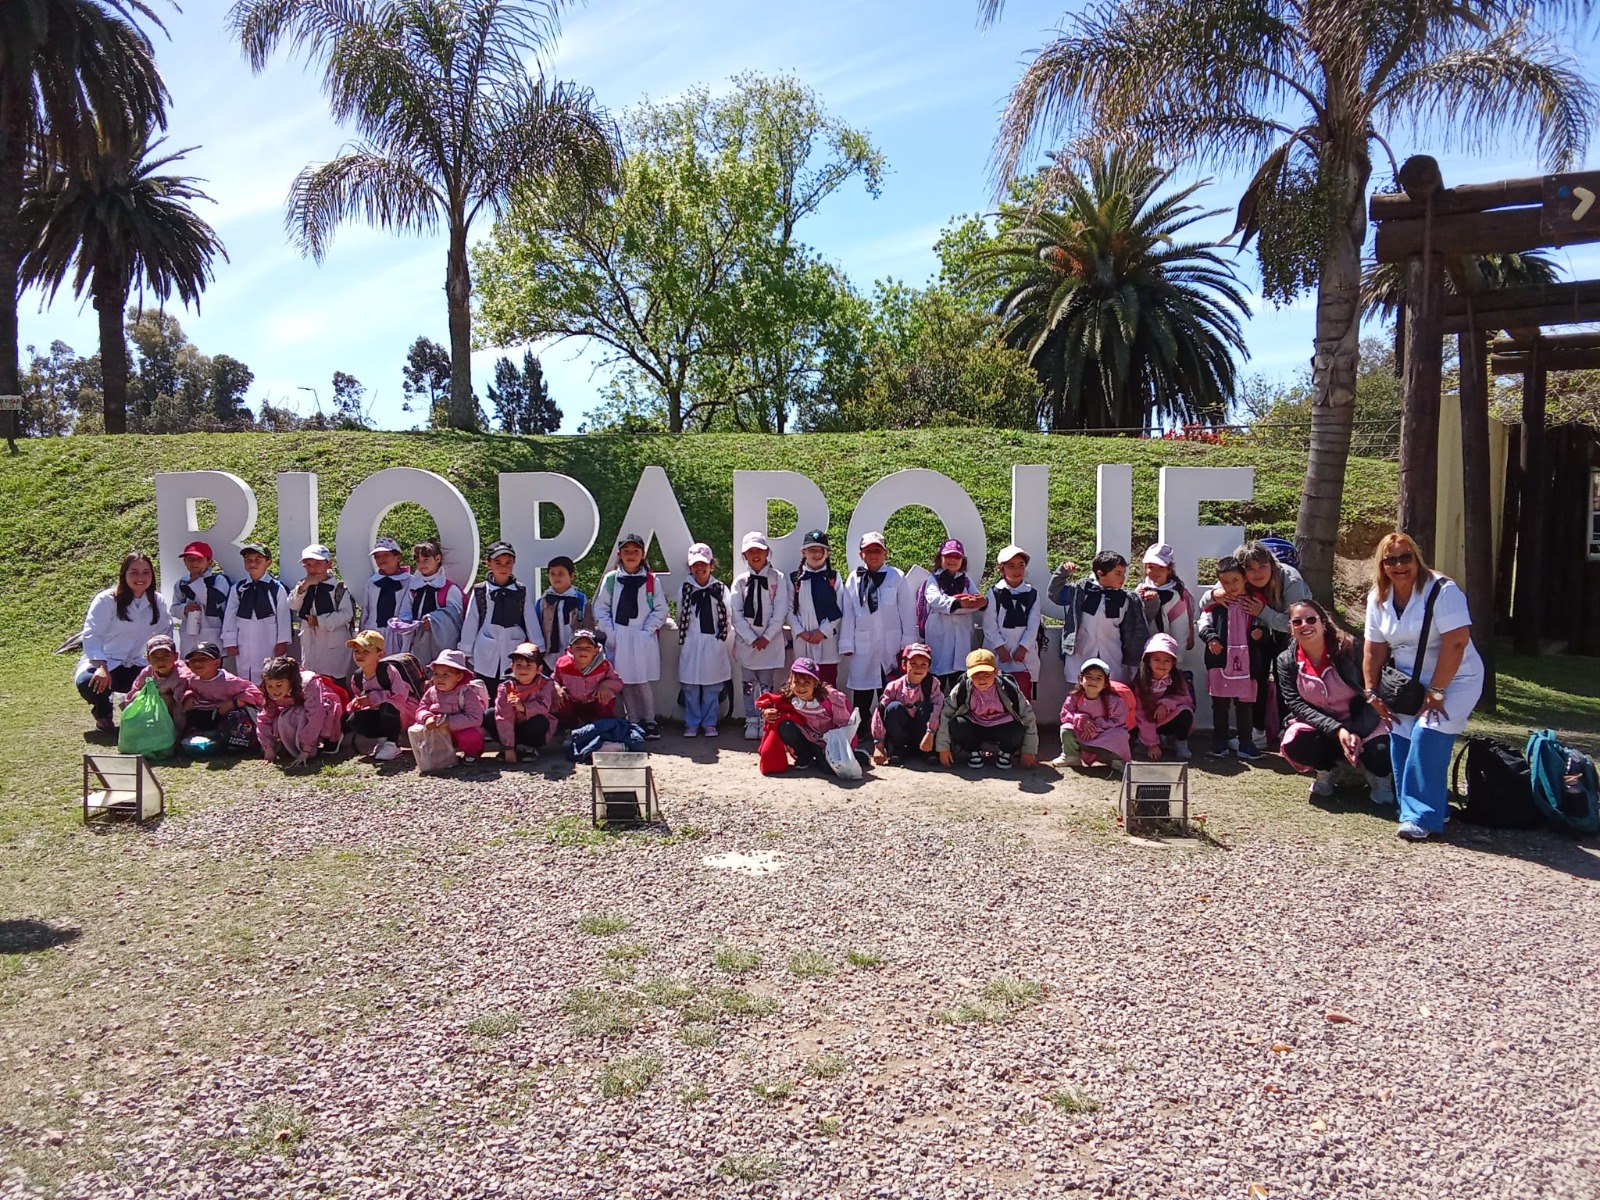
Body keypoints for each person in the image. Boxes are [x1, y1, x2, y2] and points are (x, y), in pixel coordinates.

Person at [1362, 532, 1483, 841]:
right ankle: (1427, 807)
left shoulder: (1442, 591)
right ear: (1382, 564)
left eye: (1406, 557)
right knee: (1400, 735)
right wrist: (1372, 691)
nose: (1400, 565)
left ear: (1417, 558)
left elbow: (1457, 642)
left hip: (1456, 679)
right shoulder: (1378, 597)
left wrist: (1438, 690)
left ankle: (1420, 817)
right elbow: (1374, 649)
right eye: (1392, 560)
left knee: (1427, 731)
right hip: (1410, 684)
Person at [1277, 599, 1394, 804]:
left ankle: (1378, 775)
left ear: (1324, 623)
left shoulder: (1351, 648)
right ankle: (1328, 769)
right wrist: (1338, 730)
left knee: (1382, 753)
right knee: (1296, 743)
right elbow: (1295, 703)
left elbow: (1375, 690)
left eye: (1311, 619)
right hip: (1323, 726)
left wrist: (1357, 731)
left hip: (1366, 720)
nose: (1304, 625)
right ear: (1291, 628)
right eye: (1297, 622)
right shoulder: (1286, 661)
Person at [1207, 540, 1313, 737]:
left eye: (1262, 566)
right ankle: (1257, 729)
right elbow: (1208, 599)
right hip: (1257, 632)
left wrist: (1263, 612)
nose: (1257, 573)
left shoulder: (1291, 580)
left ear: (1271, 565)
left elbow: (1297, 624)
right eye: (1250, 568)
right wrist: (1214, 594)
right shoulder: (1236, 577)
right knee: (1256, 676)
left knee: (1287, 677)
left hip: (1291, 633)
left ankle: (1289, 728)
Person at [76, 551, 172, 731]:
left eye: (146, 572)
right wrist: (101, 667)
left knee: (163, 683)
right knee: (89, 682)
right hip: (107, 661)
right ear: (124, 574)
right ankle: (103, 713)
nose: (140, 578)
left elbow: (164, 635)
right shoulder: (107, 599)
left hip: (136, 662)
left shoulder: (157, 601)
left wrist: (167, 663)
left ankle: (144, 714)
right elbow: (92, 634)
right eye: (134, 572)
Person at [838, 531, 919, 725]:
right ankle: (862, 727)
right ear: (861, 554)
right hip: (863, 644)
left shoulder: (896, 577)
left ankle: (887, 729)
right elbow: (848, 613)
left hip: (891, 645)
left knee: (889, 689)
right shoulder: (854, 579)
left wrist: (907, 645)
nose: (873, 555)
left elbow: (907, 612)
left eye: (877, 550)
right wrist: (846, 642)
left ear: (886, 553)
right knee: (862, 690)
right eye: (868, 551)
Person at [459, 540, 538, 733]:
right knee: (485, 689)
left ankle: (511, 728)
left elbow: (529, 618)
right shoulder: (480, 591)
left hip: (514, 648)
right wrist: (465, 652)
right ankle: (487, 728)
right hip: (485, 648)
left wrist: (537, 647)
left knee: (511, 689)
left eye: (508, 562)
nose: (503, 567)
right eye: (498, 562)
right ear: (488, 564)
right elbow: (472, 619)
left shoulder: (521, 591)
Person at [595, 531, 668, 740]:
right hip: (620, 634)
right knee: (624, 681)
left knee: (643, 680)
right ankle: (633, 720)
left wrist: (647, 631)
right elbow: (602, 608)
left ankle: (650, 720)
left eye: (635, 551)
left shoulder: (651, 580)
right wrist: (611, 632)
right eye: (626, 551)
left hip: (642, 634)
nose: (631, 555)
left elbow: (661, 609)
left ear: (643, 554)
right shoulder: (611, 579)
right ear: (619, 554)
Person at [1196, 555, 1268, 758]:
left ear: (1244, 578)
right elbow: (1203, 621)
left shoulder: (1256, 601)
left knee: (1245, 704)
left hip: (1248, 661)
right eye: (1226, 582)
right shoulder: (1216, 602)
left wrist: (1260, 631)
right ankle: (1220, 740)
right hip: (1220, 659)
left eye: (1235, 580)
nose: (1231, 586)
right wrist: (1211, 638)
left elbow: (1264, 620)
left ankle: (1246, 742)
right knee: (1219, 703)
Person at [1049, 550, 1148, 686]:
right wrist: (1062, 573)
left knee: (1111, 695)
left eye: (1123, 573)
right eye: (1118, 573)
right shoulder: (1081, 592)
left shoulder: (1126, 599)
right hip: (1081, 654)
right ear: (1101, 573)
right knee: (1081, 693)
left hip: (1112, 656)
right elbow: (1055, 594)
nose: (1123, 578)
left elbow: (1137, 627)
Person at [732, 531, 792, 741]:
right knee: (748, 683)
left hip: (769, 642)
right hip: (748, 642)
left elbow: (781, 608)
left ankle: (766, 719)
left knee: (766, 683)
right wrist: (750, 637)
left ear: (767, 552)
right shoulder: (740, 581)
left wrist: (767, 636)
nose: (755, 554)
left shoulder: (778, 578)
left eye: (759, 550)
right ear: (744, 555)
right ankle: (751, 719)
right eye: (750, 551)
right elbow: (736, 612)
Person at [937, 648, 1039, 770]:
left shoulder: (1008, 688)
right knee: (957, 724)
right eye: (976, 675)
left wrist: (1029, 750)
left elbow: (1028, 716)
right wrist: (943, 748)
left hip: (1003, 726)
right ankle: (973, 751)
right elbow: (945, 713)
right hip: (975, 725)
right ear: (969, 674)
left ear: (996, 672)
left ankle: (1006, 753)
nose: (981, 680)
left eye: (986, 674)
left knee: (1017, 729)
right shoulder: (963, 688)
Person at [758, 657, 855, 772]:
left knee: (829, 769)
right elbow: (774, 706)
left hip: (828, 742)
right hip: (807, 737)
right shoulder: (789, 696)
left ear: (816, 683)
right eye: (797, 682)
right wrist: (767, 713)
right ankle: (804, 756)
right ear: (790, 681)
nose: (801, 687)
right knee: (785, 725)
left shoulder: (830, 698)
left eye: (807, 683)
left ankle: (857, 755)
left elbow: (844, 725)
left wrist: (846, 749)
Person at [677, 542, 733, 738]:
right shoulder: (685, 589)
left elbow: (727, 615)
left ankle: (710, 721)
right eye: (695, 565)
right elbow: (680, 614)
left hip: (712, 640)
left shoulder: (720, 588)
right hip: (692, 640)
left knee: (712, 685)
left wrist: (720, 638)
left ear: (711, 565)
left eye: (704, 564)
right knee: (690, 685)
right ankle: (692, 722)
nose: (699, 569)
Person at [343, 629, 419, 762]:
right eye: (356, 651)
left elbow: (400, 697)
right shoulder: (357, 677)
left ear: (380, 654)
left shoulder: (388, 671)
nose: (360, 655)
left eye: (366, 651)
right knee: (355, 720)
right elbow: (359, 697)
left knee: (387, 707)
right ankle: (384, 739)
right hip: (381, 713)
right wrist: (355, 705)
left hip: (403, 712)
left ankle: (392, 743)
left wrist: (373, 699)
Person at [921, 538, 987, 689]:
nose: (952, 560)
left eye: (956, 557)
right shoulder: (933, 580)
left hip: (962, 636)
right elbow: (935, 601)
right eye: (948, 556)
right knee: (937, 682)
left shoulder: (966, 581)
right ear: (940, 558)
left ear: (962, 561)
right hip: (940, 636)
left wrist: (978, 603)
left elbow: (976, 602)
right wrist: (960, 604)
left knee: (960, 682)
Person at [222, 541, 291, 685]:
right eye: (248, 560)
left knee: (270, 671)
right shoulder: (238, 588)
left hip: (269, 639)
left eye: (258, 560)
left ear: (268, 562)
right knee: (244, 671)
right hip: (244, 639)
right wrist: (230, 640)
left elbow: (283, 616)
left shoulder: (276, 588)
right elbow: (230, 615)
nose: (252, 563)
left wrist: (282, 641)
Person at [256, 655, 342, 766]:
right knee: (281, 718)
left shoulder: (309, 685)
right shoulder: (270, 693)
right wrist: (268, 750)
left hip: (321, 710)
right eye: (269, 686)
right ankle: (290, 746)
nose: (274, 690)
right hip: (292, 710)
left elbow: (316, 716)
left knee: (295, 715)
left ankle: (312, 744)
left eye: (279, 685)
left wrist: (305, 751)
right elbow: (264, 718)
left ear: (290, 681)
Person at [288, 543, 355, 683]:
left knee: (335, 681)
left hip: (333, 641)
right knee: (311, 680)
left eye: (318, 563)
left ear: (328, 564)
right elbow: (293, 604)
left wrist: (321, 621)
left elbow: (346, 614)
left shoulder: (338, 588)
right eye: (308, 565)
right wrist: (304, 587)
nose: (313, 568)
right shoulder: (302, 585)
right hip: (310, 640)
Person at [983, 545, 1042, 700]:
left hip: (1023, 652)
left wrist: (1024, 647)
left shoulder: (1032, 593)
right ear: (1001, 569)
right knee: (995, 688)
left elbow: (1033, 624)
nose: (1016, 570)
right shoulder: (994, 592)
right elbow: (989, 624)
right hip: (998, 650)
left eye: (1021, 565)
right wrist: (1000, 647)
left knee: (1022, 691)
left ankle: (1023, 721)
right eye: (1011, 566)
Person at [176, 641, 263, 746]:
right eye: (193, 660)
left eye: (203, 659)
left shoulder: (228, 681)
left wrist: (234, 703)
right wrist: (189, 696)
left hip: (223, 714)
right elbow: (186, 690)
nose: (197, 663)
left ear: (216, 663)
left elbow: (254, 693)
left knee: (232, 718)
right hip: (205, 713)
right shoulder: (193, 679)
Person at [870, 642, 943, 764]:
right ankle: (899, 749)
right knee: (893, 708)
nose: (918, 668)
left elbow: (938, 708)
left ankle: (926, 750)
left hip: (924, 734)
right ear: (904, 665)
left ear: (929, 667)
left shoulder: (933, 684)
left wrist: (930, 733)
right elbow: (880, 712)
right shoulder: (894, 686)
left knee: (928, 707)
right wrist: (879, 746)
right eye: (913, 664)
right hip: (902, 733)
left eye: (923, 665)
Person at [414, 648, 491, 762]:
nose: (439, 678)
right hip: (437, 730)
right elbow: (422, 708)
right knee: (417, 729)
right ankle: (438, 755)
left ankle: (471, 754)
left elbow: (476, 718)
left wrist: (449, 722)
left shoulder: (466, 694)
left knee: (471, 736)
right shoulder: (431, 691)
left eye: (446, 674)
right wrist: (427, 718)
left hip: (460, 731)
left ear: (459, 676)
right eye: (436, 674)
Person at [396, 539, 464, 668]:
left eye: (426, 560)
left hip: (439, 641)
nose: (422, 565)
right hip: (417, 639)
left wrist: (433, 620)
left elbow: (455, 615)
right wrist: (405, 622)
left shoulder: (448, 588)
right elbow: (406, 608)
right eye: (418, 561)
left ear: (437, 558)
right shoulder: (414, 586)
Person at [789, 530, 845, 687]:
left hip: (827, 642)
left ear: (827, 553)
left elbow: (839, 608)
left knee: (827, 686)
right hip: (803, 641)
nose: (816, 554)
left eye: (820, 550)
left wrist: (823, 631)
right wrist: (800, 632)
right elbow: (789, 609)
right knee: (803, 684)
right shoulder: (794, 579)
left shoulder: (834, 577)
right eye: (812, 550)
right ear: (803, 552)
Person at [1056, 657, 1131, 768]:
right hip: (1083, 734)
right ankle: (1071, 757)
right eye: (1089, 677)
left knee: (1120, 735)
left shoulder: (1113, 700)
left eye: (1098, 678)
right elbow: (1065, 714)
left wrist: (1096, 726)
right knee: (1066, 729)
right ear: (1081, 680)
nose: (1093, 681)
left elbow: (1119, 720)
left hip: (1105, 736)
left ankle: (1117, 760)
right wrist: (1080, 719)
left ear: (1105, 683)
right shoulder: (1075, 697)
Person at [1131, 632, 1195, 761]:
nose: (1161, 664)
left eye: (1167, 660)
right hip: (1145, 722)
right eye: (1157, 659)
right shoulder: (1141, 683)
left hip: (1166, 719)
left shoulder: (1177, 679)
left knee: (1185, 712)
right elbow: (1140, 714)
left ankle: (1180, 742)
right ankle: (1149, 741)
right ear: (1148, 661)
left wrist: (1166, 704)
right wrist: (1151, 743)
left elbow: (1186, 700)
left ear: (1173, 663)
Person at [495, 641, 559, 762]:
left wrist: (523, 707)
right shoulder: (505, 687)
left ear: (539, 669)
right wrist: (508, 747)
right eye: (519, 665)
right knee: (491, 715)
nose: (523, 669)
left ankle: (530, 747)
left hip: (531, 726)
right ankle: (508, 746)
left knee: (539, 720)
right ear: (511, 667)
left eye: (529, 665)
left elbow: (544, 706)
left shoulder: (545, 684)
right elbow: (504, 717)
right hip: (513, 726)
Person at [170, 540, 231, 657]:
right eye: (190, 559)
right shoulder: (181, 583)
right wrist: (185, 608)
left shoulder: (219, 580)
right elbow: (173, 609)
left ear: (209, 562)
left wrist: (197, 582)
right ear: (184, 562)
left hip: (213, 636)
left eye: (199, 559)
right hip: (189, 639)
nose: (194, 563)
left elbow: (213, 603)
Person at [553, 627, 621, 727]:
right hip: (572, 702)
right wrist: (556, 687)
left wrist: (605, 685)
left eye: (588, 648)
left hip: (593, 702)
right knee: (559, 696)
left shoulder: (603, 665)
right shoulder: (562, 664)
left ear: (596, 650)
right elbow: (552, 679)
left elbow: (618, 683)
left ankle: (603, 724)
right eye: (578, 648)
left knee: (608, 695)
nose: (583, 652)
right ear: (570, 649)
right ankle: (568, 726)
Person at [1136, 543, 1196, 654]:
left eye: (1161, 567)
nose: (1155, 572)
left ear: (1169, 569)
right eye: (1151, 567)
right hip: (1143, 649)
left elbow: (1180, 631)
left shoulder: (1175, 596)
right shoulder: (1140, 590)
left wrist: (1176, 659)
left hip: (1166, 652)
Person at [125, 634, 189, 734]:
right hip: (151, 708)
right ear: (148, 659)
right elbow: (132, 694)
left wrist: (178, 732)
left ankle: (172, 730)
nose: (160, 661)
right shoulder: (146, 673)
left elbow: (179, 706)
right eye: (155, 658)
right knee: (136, 696)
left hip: (175, 711)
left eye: (166, 656)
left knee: (166, 699)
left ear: (175, 656)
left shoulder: (182, 676)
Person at [535, 555, 591, 660]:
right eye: (552, 574)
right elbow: (536, 627)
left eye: (561, 574)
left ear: (571, 576)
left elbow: (588, 627)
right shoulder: (543, 601)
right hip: (548, 656)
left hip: (575, 656)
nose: (556, 577)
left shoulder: (581, 600)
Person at [360, 536, 411, 635]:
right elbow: (366, 610)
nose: (381, 559)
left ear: (398, 558)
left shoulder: (409, 581)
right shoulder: (372, 582)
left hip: (398, 634)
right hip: (373, 632)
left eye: (386, 555)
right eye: (377, 556)